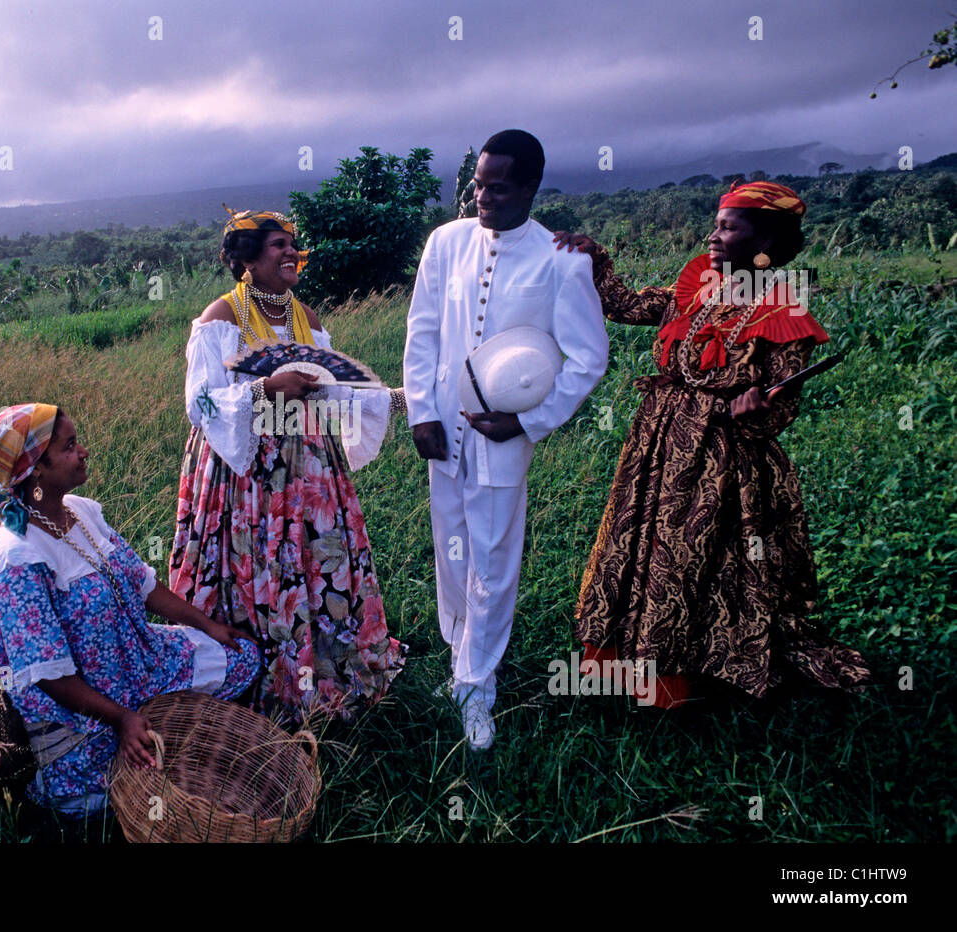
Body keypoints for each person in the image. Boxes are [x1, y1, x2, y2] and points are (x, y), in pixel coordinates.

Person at [554, 180, 871, 707]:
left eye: (728, 226)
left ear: (764, 237)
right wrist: (592, 258)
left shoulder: (779, 310)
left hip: (720, 460)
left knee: (692, 557)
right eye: (716, 224)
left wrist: (757, 407)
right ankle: (625, 654)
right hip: (658, 442)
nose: (714, 235)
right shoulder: (701, 286)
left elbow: (783, 402)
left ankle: (682, 672)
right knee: (642, 547)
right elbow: (628, 304)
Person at [403, 130, 609, 749]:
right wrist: (420, 410)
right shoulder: (445, 243)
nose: (483, 197)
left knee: (493, 558)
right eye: (476, 185)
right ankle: (458, 656)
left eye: (497, 187)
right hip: (444, 427)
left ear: (529, 187)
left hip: (503, 435)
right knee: (451, 551)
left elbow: (587, 359)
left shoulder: (561, 260)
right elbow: (423, 329)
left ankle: (477, 688)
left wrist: (528, 422)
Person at [168, 207, 407, 724]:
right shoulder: (221, 318)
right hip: (243, 472)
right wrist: (263, 389)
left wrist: (398, 400)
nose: (290, 253)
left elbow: (335, 388)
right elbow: (200, 403)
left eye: (293, 244)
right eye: (277, 245)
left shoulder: (308, 319)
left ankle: (320, 671)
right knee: (252, 563)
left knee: (318, 559)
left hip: (309, 466)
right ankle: (247, 676)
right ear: (248, 259)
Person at [0, 403, 261, 818]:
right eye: (70, 446)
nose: (84, 452)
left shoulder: (82, 511)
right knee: (123, 792)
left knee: (242, 657)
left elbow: (144, 586)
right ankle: (107, 757)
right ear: (36, 469)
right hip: (84, 708)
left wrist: (210, 627)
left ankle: (163, 720)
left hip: (138, 661)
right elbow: (51, 677)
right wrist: (122, 719)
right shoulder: (18, 559)